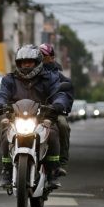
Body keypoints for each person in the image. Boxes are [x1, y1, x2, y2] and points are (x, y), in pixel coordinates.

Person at [0, 45, 72, 192]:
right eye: (22, 62)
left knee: (53, 131)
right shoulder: (10, 80)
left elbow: (59, 94)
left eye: (29, 62)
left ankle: (53, 171)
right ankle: (7, 170)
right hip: (16, 118)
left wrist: (59, 103)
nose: (26, 65)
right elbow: (2, 94)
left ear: (37, 62)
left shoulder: (50, 78)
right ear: (18, 63)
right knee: (4, 127)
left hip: (43, 118)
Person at [39, 43, 73, 175]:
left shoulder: (60, 78)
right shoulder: (30, 74)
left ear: (52, 58)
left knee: (63, 124)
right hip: (31, 112)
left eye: (43, 55)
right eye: (38, 55)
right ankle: (9, 164)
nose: (40, 58)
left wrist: (59, 105)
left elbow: (65, 97)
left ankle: (61, 161)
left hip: (52, 113)